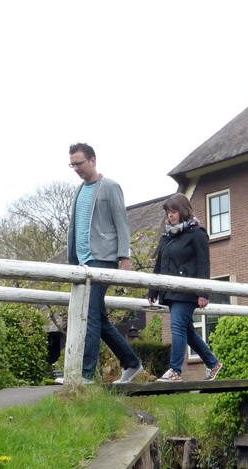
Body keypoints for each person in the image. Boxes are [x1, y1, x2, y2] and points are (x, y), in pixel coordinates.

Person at [63, 143, 143, 385]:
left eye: (79, 163)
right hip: (82, 261)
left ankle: (85, 375)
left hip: (103, 258)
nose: (76, 168)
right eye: (72, 164)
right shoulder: (78, 190)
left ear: (93, 160)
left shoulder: (109, 187)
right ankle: (132, 363)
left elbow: (122, 223)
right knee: (98, 315)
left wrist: (125, 258)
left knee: (89, 314)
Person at [147, 194, 222, 381]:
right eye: (168, 212)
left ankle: (175, 370)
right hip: (170, 291)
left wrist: (203, 292)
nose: (170, 216)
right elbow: (159, 264)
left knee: (178, 327)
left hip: (187, 291)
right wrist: (153, 290)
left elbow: (203, 264)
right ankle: (213, 363)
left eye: (173, 212)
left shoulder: (196, 233)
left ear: (183, 211)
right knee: (186, 330)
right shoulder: (167, 236)